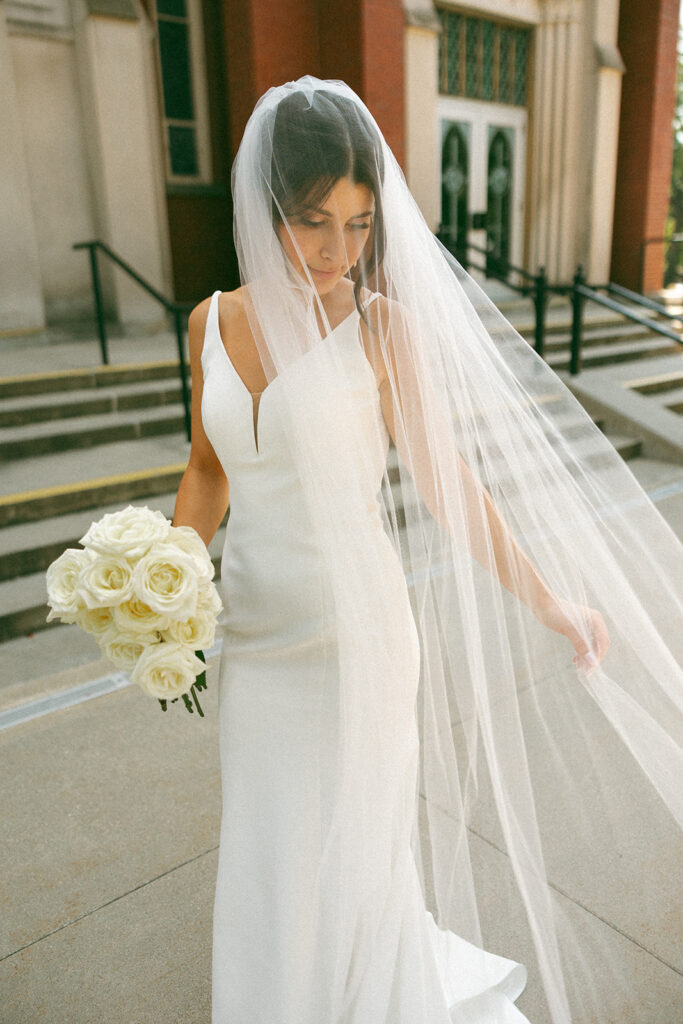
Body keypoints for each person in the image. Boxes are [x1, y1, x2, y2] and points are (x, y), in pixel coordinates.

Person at [172, 77, 682, 1023]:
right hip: (254, 643)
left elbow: (450, 485)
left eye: (360, 224)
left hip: (355, 641)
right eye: (315, 220)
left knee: (354, 851)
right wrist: (162, 583)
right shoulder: (208, 323)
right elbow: (209, 467)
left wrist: (549, 600)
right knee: (267, 846)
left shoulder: (379, 331)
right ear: (264, 207)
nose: (338, 251)